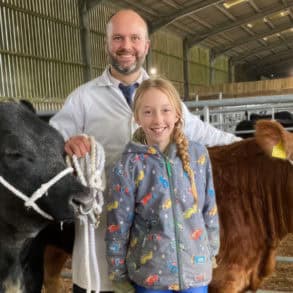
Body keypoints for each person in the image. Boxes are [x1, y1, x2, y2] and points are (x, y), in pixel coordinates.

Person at [49, 9, 238, 293]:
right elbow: (49, 141)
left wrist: (269, 146)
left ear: (146, 46)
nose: (127, 46)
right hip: (102, 247)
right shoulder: (82, 99)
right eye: (118, 38)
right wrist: (66, 143)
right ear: (107, 44)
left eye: (135, 38)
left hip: (156, 260)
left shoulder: (163, 97)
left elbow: (207, 134)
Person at [106, 77, 219, 293]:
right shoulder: (128, 165)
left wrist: (210, 252)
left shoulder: (198, 156)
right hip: (150, 277)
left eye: (165, 110)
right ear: (137, 118)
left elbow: (209, 210)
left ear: (177, 114)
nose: (158, 119)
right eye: (148, 112)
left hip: (194, 273)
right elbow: (118, 224)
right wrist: (117, 273)